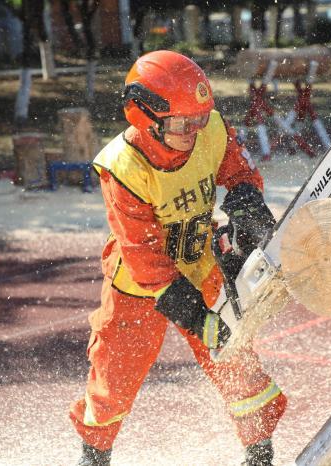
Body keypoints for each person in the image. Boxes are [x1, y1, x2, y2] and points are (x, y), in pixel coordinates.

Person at [69, 50, 287, 466]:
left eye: (199, 119)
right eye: (181, 124)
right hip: (139, 282)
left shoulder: (211, 131)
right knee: (114, 373)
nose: (193, 131)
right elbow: (143, 258)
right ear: (143, 116)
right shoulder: (122, 168)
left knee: (234, 357)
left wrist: (245, 209)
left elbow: (239, 173)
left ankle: (259, 454)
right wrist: (196, 318)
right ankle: (94, 458)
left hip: (200, 263)